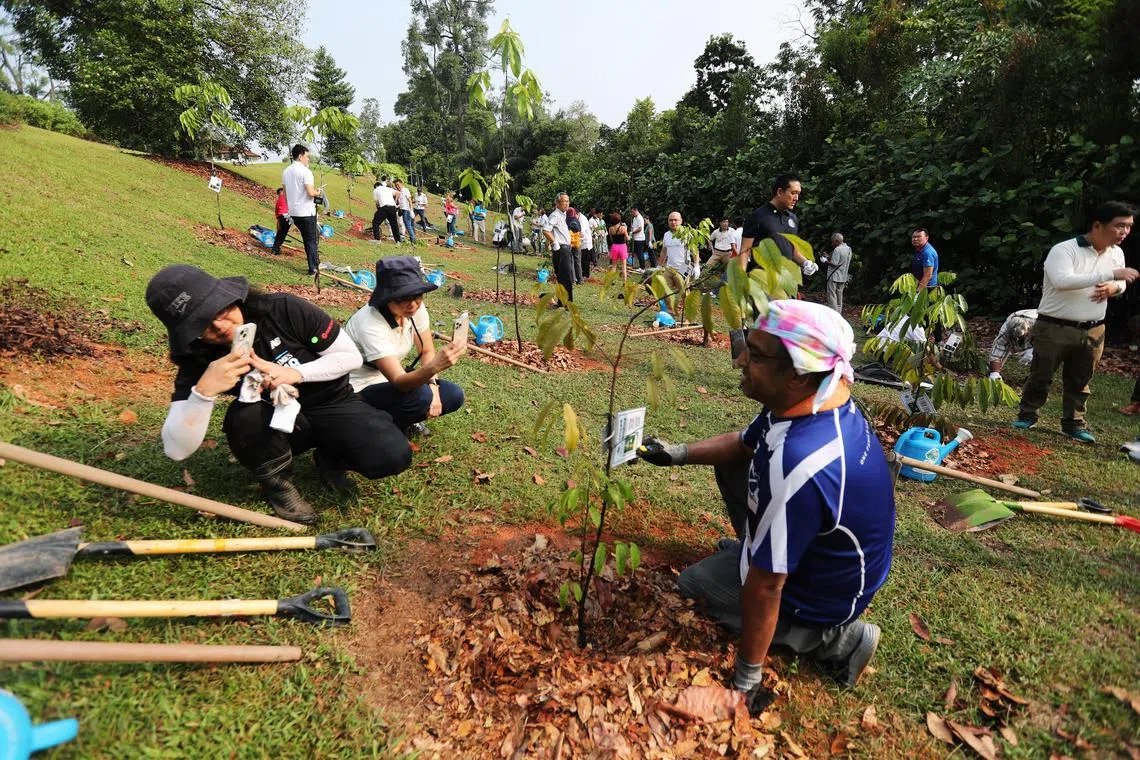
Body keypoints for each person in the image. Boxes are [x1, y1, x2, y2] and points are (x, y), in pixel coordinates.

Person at [638, 300, 893, 694]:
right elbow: (743, 445)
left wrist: (747, 679)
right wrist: (677, 453)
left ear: (796, 374)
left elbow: (768, 585)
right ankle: (757, 548)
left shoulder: (800, 462)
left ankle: (840, 639)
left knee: (695, 584)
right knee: (732, 463)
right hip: (826, 556)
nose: (739, 360)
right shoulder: (815, 400)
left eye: (754, 354)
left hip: (823, 594)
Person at [145, 265, 412, 525]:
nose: (219, 325)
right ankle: (278, 484)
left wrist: (295, 374)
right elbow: (176, 449)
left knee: (392, 455)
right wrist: (203, 392)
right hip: (275, 421)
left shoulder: (282, 309)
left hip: (330, 400)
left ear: (231, 296)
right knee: (244, 416)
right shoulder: (198, 357)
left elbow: (349, 356)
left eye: (220, 309)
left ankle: (332, 455)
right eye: (201, 323)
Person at [1013, 201, 1139, 441]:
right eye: (1119, 226)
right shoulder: (1065, 250)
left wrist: (1115, 287)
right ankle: (1027, 415)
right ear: (1097, 225)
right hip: (1055, 326)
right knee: (1041, 374)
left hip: (1093, 329)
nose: (1125, 232)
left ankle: (1074, 424)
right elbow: (1062, 281)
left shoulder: (1116, 253)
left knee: (1081, 380)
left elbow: (1121, 283)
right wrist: (1110, 275)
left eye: (1129, 227)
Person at [345, 256, 466, 436]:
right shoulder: (369, 323)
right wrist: (435, 366)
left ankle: (402, 420)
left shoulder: (416, 309)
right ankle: (385, 430)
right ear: (387, 297)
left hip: (388, 381)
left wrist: (434, 387)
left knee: (453, 394)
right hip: (358, 388)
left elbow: (426, 350)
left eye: (417, 295)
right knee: (420, 395)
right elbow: (400, 383)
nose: (413, 304)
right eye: (403, 297)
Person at [740, 174, 817, 277]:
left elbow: (792, 250)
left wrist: (805, 262)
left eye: (798, 194)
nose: (796, 198)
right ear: (780, 192)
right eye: (793, 193)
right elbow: (745, 251)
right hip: (764, 280)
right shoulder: (759, 216)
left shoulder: (792, 218)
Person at [282, 144, 323, 275]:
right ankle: (314, 268)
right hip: (306, 212)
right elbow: (310, 192)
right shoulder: (306, 172)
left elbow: (286, 192)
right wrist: (318, 192)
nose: (308, 159)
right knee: (311, 240)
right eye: (307, 157)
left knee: (308, 239)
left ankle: (314, 264)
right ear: (300, 156)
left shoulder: (286, 171)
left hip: (293, 212)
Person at [986, 309, 1038, 381]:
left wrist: (1033, 350)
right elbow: (998, 351)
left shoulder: (1038, 324)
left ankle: (1037, 378)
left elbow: (1049, 341)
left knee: (1042, 356)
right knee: (994, 370)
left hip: (1047, 331)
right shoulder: (1005, 331)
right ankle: (994, 373)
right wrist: (994, 372)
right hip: (1016, 331)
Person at [543, 193, 574, 303]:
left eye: (567, 201)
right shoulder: (555, 215)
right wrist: (555, 242)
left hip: (565, 248)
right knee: (565, 277)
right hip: (561, 249)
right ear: (557, 203)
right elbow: (546, 230)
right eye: (563, 201)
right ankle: (565, 303)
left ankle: (563, 302)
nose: (566, 203)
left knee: (564, 277)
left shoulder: (563, 215)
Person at [824, 233, 852, 313]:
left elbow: (834, 264)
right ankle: (839, 313)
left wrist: (825, 261)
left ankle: (834, 314)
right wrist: (829, 257)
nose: (832, 244)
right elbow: (841, 260)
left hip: (834, 276)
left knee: (832, 295)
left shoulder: (837, 249)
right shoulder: (848, 249)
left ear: (836, 241)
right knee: (839, 296)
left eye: (832, 242)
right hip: (843, 276)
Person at [607, 212, 630, 284]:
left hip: (614, 246)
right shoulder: (623, 228)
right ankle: (624, 282)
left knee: (614, 266)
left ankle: (612, 280)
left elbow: (611, 239)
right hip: (622, 246)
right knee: (624, 266)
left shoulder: (610, 229)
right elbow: (628, 238)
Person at [394, 179, 416, 244]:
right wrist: (397, 206)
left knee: (408, 225)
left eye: (398, 185)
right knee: (409, 225)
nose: (397, 186)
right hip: (402, 209)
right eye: (396, 185)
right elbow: (401, 202)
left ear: (401, 183)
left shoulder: (405, 190)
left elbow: (409, 200)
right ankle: (413, 238)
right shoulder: (399, 192)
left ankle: (413, 240)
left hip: (406, 210)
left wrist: (411, 210)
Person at [270, 187, 290, 256]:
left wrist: (279, 224)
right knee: (283, 233)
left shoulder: (279, 201)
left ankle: (275, 249)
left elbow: (277, 214)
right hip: (288, 216)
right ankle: (276, 249)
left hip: (282, 217)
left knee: (280, 233)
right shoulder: (288, 196)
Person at [567, 207, 584, 284]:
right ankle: (580, 280)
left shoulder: (566, 220)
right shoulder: (577, 221)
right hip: (577, 243)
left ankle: (573, 280)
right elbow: (580, 233)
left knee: (571, 261)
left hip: (569, 243)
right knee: (578, 262)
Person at [577, 207, 595, 280]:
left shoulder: (582, 219)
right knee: (582, 260)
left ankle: (586, 276)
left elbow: (582, 233)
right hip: (582, 242)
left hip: (585, 242)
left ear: (577, 213)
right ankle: (583, 274)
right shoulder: (578, 218)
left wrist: (575, 237)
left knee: (585, 260)